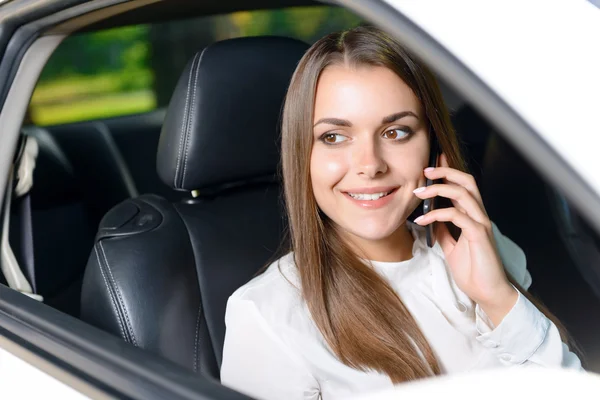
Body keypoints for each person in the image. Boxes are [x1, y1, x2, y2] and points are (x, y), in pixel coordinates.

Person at [220, 26, 583, 400]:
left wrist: (497, 297)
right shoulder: (266, 315)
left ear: (433, 146)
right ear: (303, 156)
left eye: (396, 132)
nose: (370, 164)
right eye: (334, 137)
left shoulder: (479, 246)